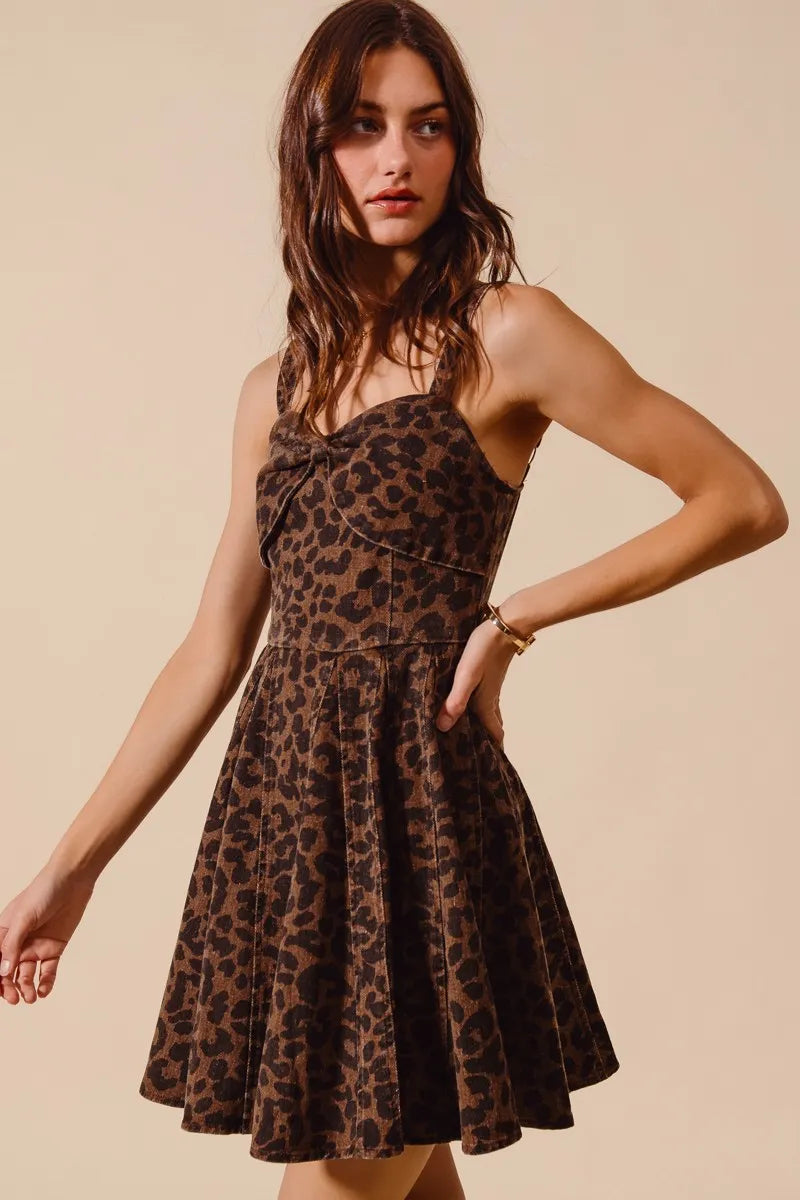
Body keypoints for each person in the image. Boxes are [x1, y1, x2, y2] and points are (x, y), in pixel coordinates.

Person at [0, 2, 789, 1198]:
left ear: (458, 149)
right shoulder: (275, 388)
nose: (395, 159)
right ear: (311, 150)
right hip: (288, 822)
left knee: (343, 1176)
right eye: (361, 127)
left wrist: (513, 618)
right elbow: (212, 649)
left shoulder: (505, 333)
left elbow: (738, 499)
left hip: (415, 821)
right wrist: (72, 870)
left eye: (428, 127)